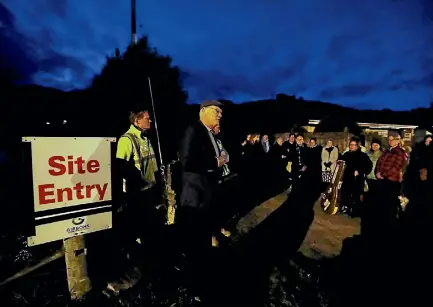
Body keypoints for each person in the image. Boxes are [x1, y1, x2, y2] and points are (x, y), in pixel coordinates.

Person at [178, 100, 227, 301]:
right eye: (217, 111)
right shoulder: (193, 130)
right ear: (203, 111)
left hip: (205, 195)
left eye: (221, 112)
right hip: (194, 197)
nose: (220, 115)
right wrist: (216, 162)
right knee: (195, 244)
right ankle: (194, 289)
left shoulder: (208, 133)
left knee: (202, 241)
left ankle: (201, 281)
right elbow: (188, 161)